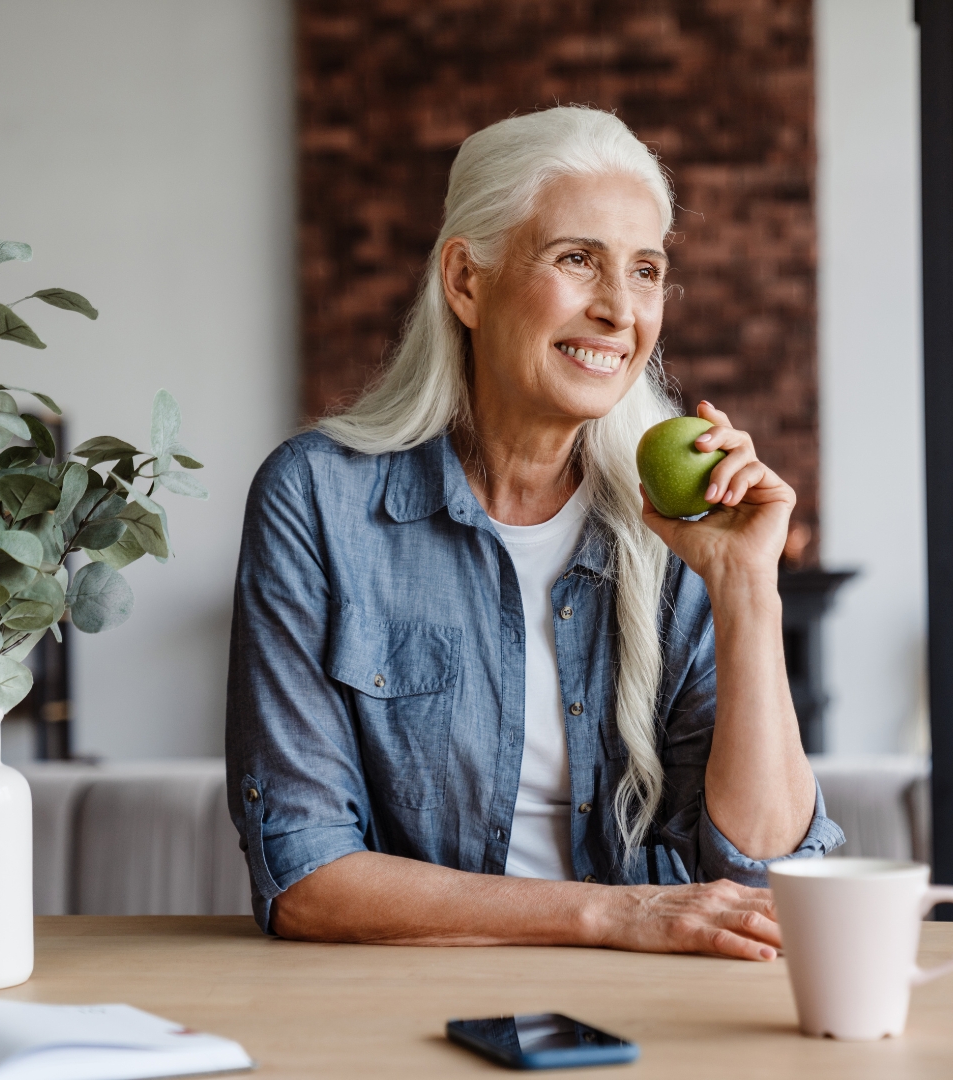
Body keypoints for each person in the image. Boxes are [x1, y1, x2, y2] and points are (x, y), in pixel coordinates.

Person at [226, 106, 843, 961]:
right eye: (576, 259)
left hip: (659, 1006)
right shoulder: (319, 500)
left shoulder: (685, 521)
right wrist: (612, 915)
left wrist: (746, 587)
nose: (619, 310)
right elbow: (304, 875)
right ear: (466, 282)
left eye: (646, 270)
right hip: (407, 1005)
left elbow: (771, 878)